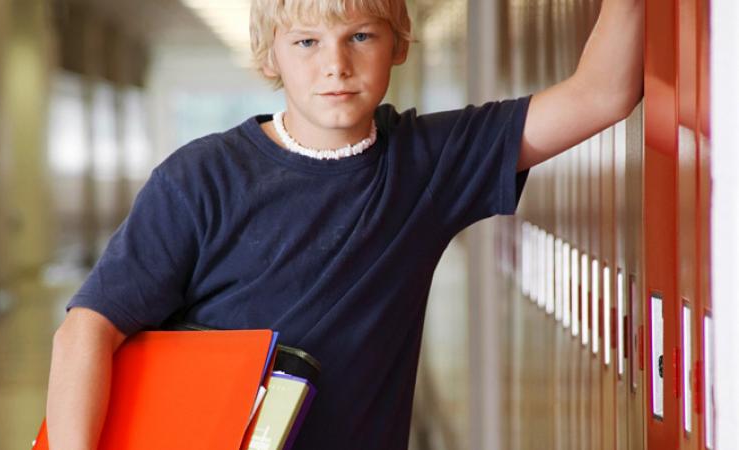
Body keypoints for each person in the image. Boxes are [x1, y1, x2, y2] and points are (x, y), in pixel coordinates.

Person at [45, 0, 643, 448]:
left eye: (360, 35)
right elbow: (87, 331)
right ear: (268, 55)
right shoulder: (201, 179)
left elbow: (601, 95)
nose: (336, 64)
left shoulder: (426, 164)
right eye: (306, 42)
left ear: (398, 44)